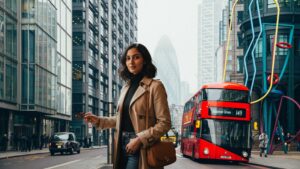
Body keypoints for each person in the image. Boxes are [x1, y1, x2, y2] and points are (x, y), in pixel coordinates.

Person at [84, 43, 171, 169]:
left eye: (136, 57)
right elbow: (121, 118)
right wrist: (99, 120)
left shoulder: (155, 87)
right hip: (121, 144)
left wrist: (140, 139)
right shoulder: (126, 87)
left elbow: (165, 122)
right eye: (128, 58)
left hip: (141, 146)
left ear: (145, 60)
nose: (131, 62)